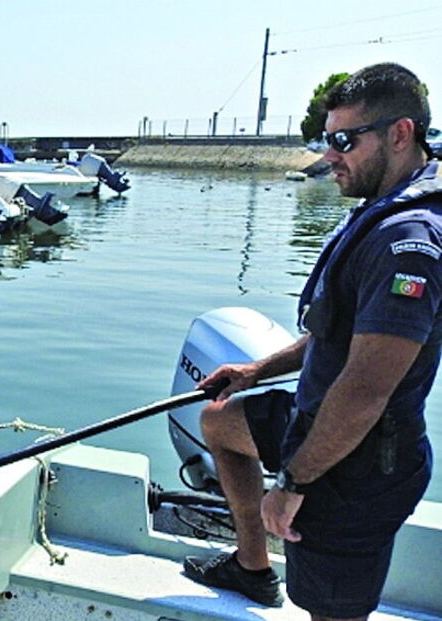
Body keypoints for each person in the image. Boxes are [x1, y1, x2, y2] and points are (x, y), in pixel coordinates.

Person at [182, 63, 440, 621]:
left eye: (345, 140)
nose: (330, 156)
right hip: (319, 420)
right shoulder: (380, 212)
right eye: (328, 140)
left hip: (361, 466)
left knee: (328, 612)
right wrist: (255, 370)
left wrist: (292, 482)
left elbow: (368, 388)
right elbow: (337, 330)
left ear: (400, 134)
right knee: (220, 423)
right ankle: (252, 568)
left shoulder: (409, 244)